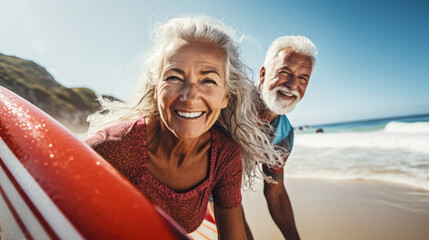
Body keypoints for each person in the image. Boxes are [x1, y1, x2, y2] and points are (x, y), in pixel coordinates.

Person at [85, 16, 285, 239]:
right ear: (156, 89)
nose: (189, 97)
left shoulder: (224, 156)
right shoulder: (114, 147)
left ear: (226, 96)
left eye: (208, 80)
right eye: (174, 77)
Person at [243, 35, 317, 240]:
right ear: (263, 74)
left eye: (303, 78)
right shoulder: (228, 109)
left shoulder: (283, 134)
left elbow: (275, 191)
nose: (293, 84)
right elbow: (219, 195)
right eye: (285, 72)